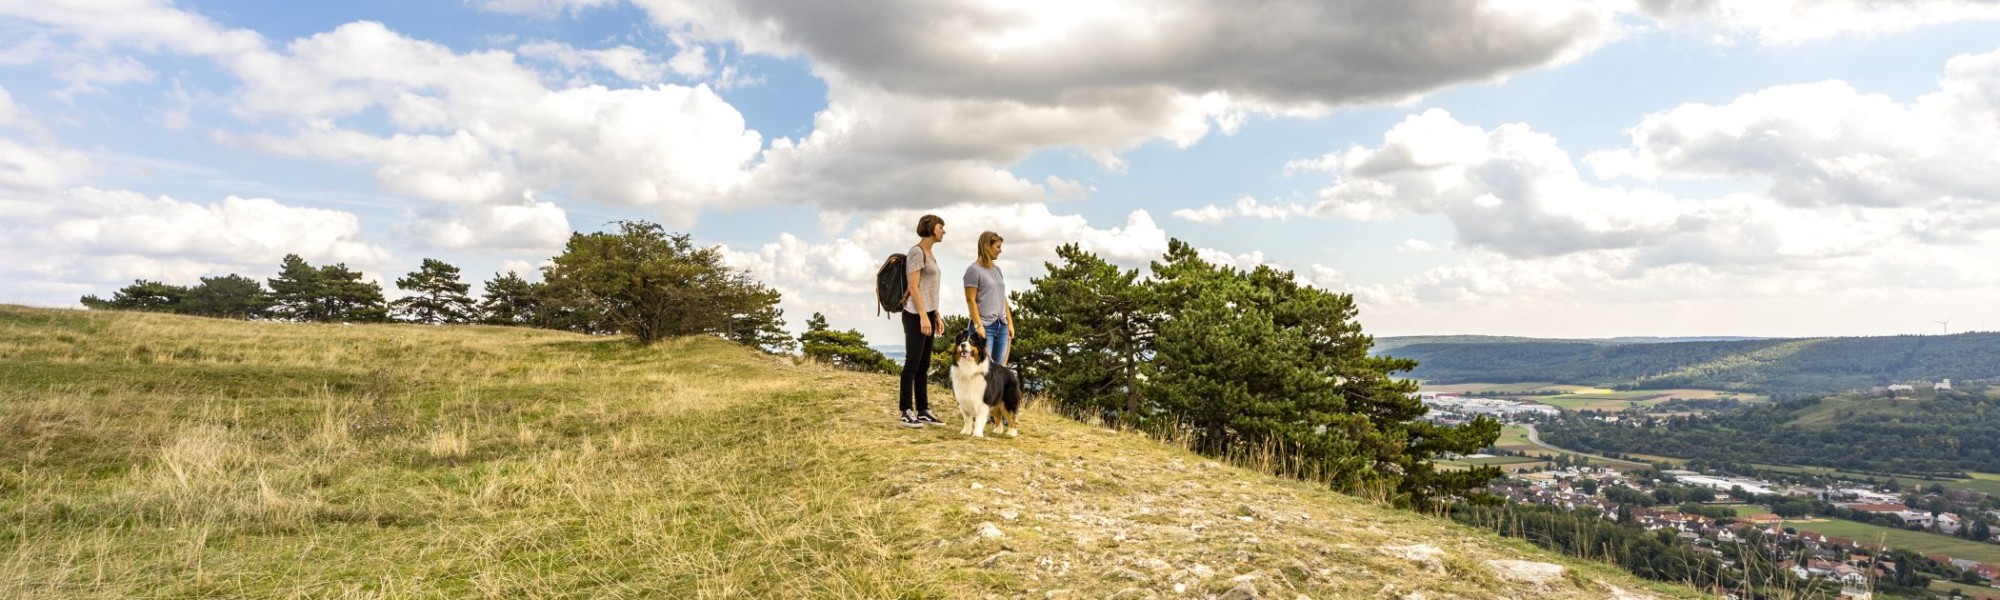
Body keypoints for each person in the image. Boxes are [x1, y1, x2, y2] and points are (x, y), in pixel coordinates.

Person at [899, 214, 948, 428]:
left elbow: (930, 289)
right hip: (914, 314)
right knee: (912, 363)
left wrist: (935, 314)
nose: (943, 231)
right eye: (940, 227)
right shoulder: (916, 252)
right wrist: (921, 316)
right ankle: (906, 411)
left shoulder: (931, 254)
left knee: (924, 364)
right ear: (930, 228)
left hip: (928, 313)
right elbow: (914, 287)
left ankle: (923, 409)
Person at [962, 231, 1014, 366]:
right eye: (998, 247)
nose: (1000, 250)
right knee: (982, 368)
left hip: (1001, 326)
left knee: (998, 370)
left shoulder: (997, 270)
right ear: (986, 246)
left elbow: (1002, 298)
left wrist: (1009, 323)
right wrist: (978, 325)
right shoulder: (973, 270)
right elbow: (970, 300)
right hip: (985, 327)